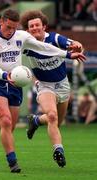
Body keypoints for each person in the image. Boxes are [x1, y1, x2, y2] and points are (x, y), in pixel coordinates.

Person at [0, 9, 86, 173]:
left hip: (17, 84)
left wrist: (68, 54)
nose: (11, 31)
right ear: (1, 22)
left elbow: (44, 47)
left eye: (14, 28)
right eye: (8, 27)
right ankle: (13, 162)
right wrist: (5, 74)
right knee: (6, 121)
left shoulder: (22, 37)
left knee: (10, 127)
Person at [20, 10, 85, 168]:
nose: (35, 28)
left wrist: (77, 46)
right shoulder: (26, 44)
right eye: (31, 26)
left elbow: (75, 45)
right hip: (44, 85)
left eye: (37, 25)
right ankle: (58, 151)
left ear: (44, 26)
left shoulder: (54, 38)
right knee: (52, 116)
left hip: (62, 85)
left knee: (57, 122)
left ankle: (35, 120)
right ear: (27, 30)